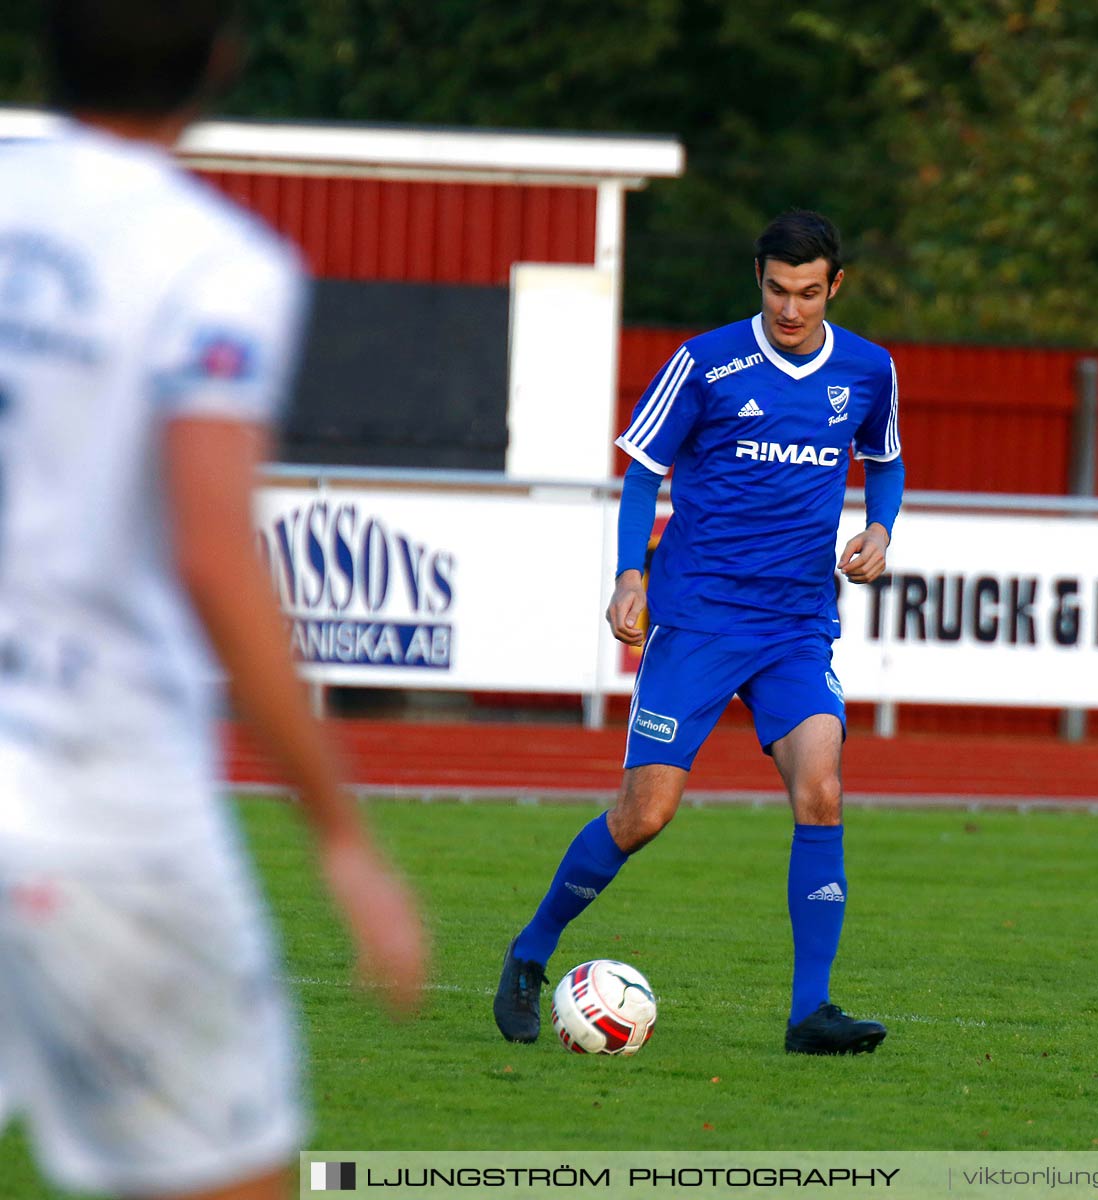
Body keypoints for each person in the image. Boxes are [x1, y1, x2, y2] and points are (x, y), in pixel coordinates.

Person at [0, 3, 428, 1198]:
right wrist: (343, 837)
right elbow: (212, 550)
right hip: (102, 803)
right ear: (221, 63)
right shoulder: (214, 264)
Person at [494, 210, 904, 1055]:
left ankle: (809, 1014)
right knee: (646, 814)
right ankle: (531, 952)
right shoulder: (707, 362)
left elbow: (885, 461)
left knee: (821, 791)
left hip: (796, 625)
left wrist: (881, 530)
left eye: (808, 293)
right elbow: (644, 472)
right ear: (758, 277)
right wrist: (630, 574)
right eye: (777, 290)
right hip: (699, 620)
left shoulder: (867, 370)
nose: (791, 309)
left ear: (835, 287)